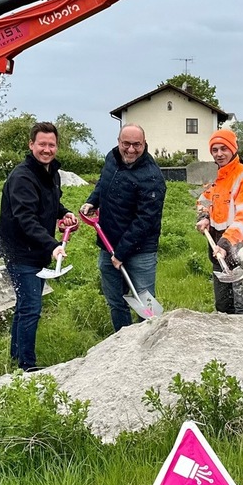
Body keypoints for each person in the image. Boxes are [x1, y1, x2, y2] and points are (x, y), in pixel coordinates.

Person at [0, 121, 78, 372]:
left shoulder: (50, 172)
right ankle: (27, 367)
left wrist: (65, 214)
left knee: (25, 305)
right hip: (20, 251)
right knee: (31, 307)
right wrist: (53, 245)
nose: (47, 149)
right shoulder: (22, 176)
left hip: (36, 250)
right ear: (31, 144)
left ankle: (16, 356)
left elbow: (51, 203)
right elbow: (26, 218)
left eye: (51, 144)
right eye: (42, 144)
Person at [81, 124, 166, 331]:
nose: (130, 149)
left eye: (136, 145)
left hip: (140, 251)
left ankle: (148, 344)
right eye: (126, 144)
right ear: (118, 142)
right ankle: (121, 342)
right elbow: (103, 183)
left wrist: (120, 253)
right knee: (115, 301)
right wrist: (93, 201)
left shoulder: (152, 178)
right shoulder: (112, 158)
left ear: (144, 144)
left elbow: (145, 221)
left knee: (145, 306)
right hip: (108, 244)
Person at [195, 128, 243, 314]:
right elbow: (203, 200)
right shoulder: (212, 177)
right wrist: (204, 217)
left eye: (223, 148)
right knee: (223, 306)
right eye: (215, 149)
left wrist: (224, 244)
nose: (219, 154)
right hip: (219, 249)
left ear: (233, 149)